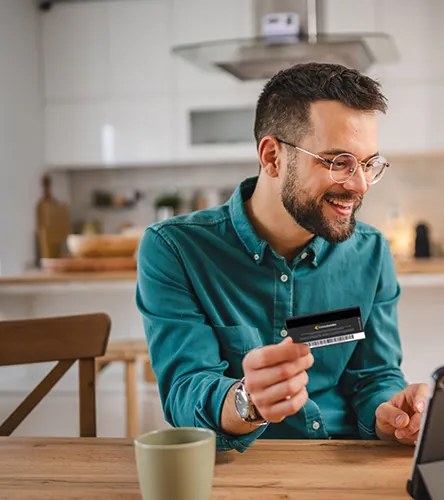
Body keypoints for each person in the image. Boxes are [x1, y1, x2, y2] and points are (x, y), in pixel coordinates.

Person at [135, 62, 428, 452]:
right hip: (241, 472)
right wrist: (247, 401)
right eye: (339, 162)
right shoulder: (176, 249)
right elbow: (186, 390)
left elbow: (373, 376)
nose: (359, 185)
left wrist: (390, 413)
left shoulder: (370, 251)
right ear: (272, 157)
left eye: (369, 164)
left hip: (344, 464)